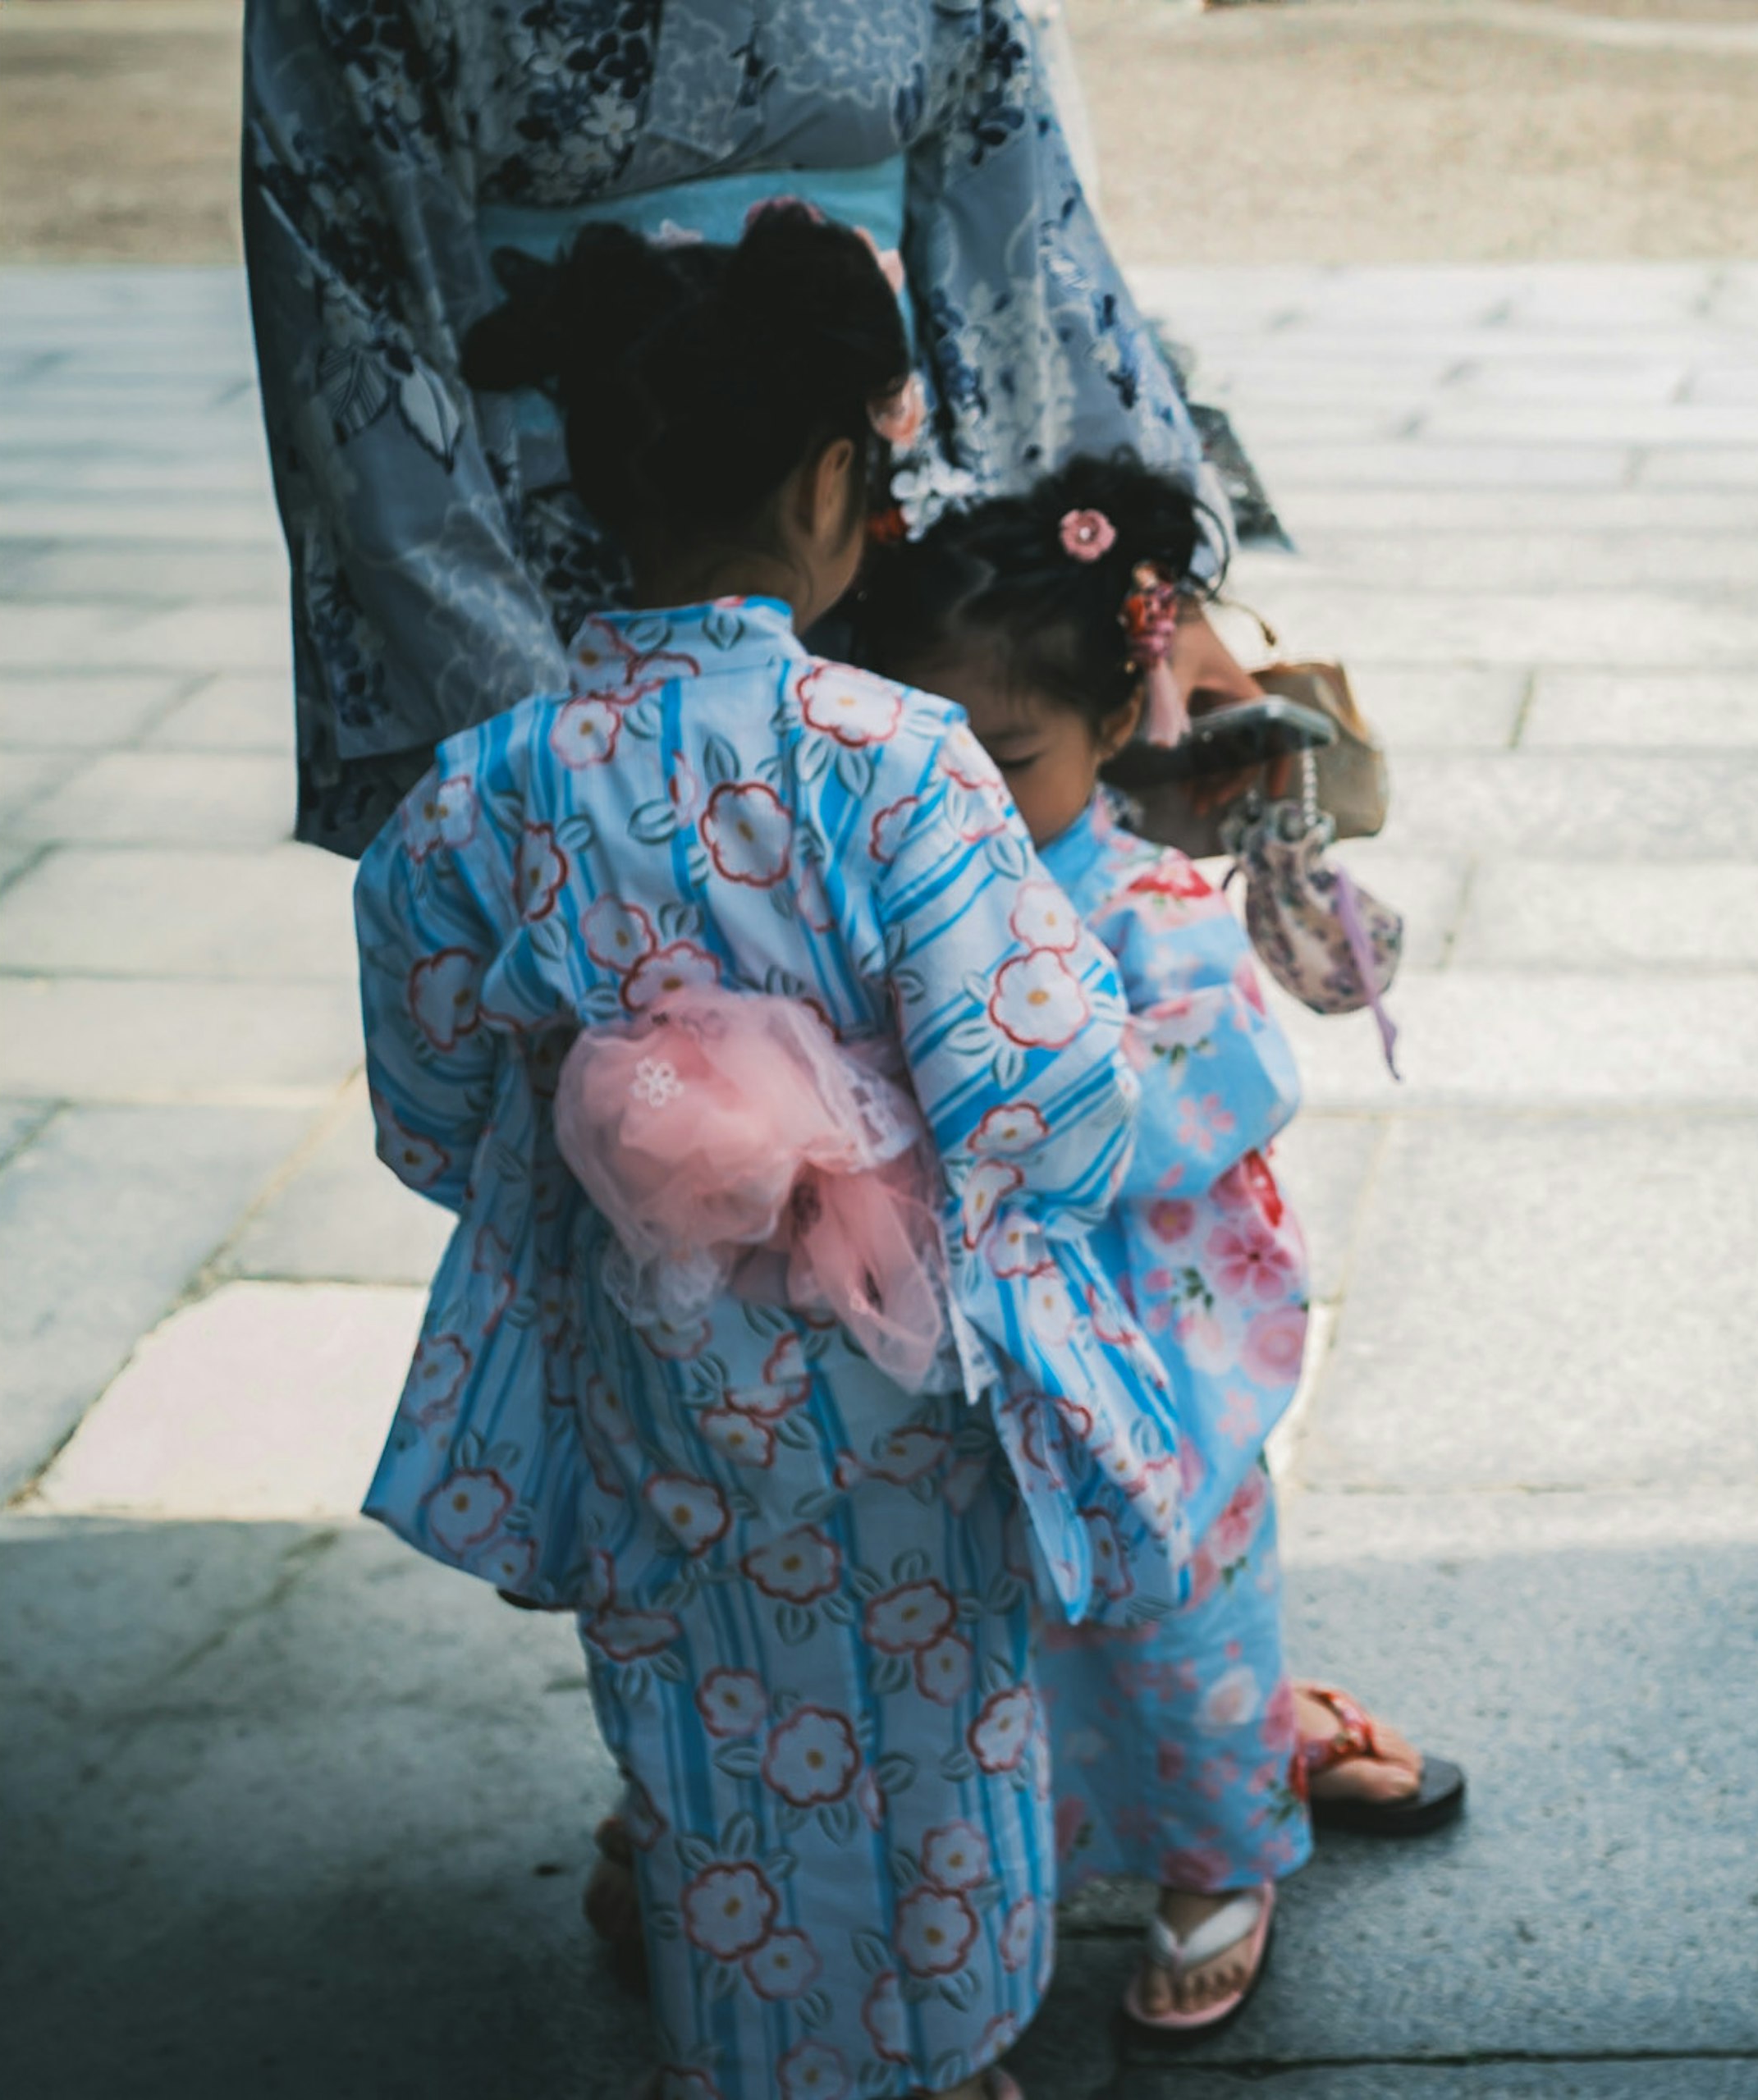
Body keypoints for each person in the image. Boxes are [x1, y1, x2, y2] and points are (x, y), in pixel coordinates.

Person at [353, 204, 1199, 2100]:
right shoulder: (894, 755)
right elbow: (1044, 1097)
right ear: (832, 477)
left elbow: (429, 1099)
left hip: (650, 1366)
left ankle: (756, 2055)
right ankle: (957, 2049)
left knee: (709, 1716)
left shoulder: (489, 782)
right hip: (894, 1365)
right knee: (938, 1705)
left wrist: (626, 1153)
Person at [854, 457, 1464, 2036]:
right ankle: (1011, 1853)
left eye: (1008, 755)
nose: (965, 797)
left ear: (1115, 726)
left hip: (1141, 1331)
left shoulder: (1150, 904)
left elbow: (1223, 1081)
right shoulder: (882, 880)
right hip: (969, 1330)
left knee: (1174, 1601)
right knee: (986, 1599)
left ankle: (1218, 1854)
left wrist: (1013, 1098)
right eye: (929, 757)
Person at [244, 0, 1256, 855]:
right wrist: (538, 752)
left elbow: (1017, 231)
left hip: (875, 539)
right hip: (556, 551)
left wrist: (1121, 596)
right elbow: (360, 330)